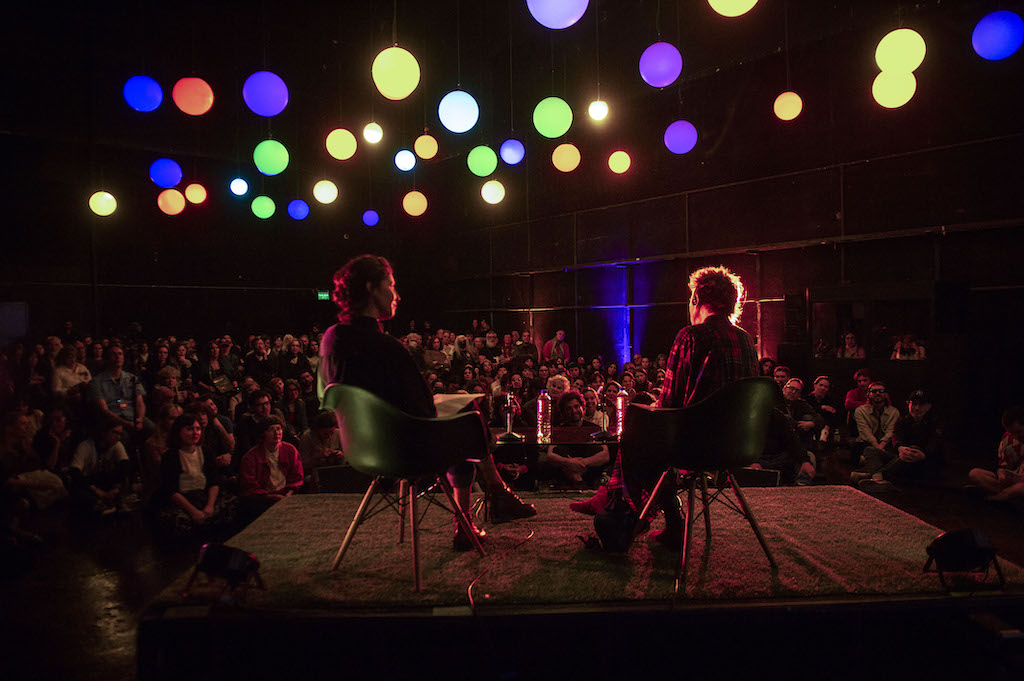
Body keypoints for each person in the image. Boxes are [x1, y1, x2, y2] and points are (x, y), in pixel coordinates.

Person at [318, 254, 535, 550]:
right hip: (405, 449)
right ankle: (480, 508)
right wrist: (446, 403)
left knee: (461, 412)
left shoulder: (331, 338)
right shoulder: (387, 348)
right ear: (371, 288)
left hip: (361, 448)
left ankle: (491, 498)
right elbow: (422, 411)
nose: (397, 295)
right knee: (468, 416)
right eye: (391, 286)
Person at [573, 266, 759, 551]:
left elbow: (671, 403)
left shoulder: (691, 336)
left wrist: (643, 416)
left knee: (637, 431)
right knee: (644, 435)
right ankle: (617, 501)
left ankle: (632, 509)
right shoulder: (747, 340)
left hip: (694, 446)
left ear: (696, 299)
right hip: (740, 445)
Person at [154, 413, 234, 535]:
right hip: (183, 501)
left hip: (204, 496)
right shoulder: (170, 457)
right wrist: (193, 512)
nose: (195, 433)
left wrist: (210, 506)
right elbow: (171, 490)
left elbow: (214, 481)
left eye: (198, 429)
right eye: (190, 429)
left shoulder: (206, 451)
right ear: (178, 431)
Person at [853, 389, 943, 489]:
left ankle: (874, 476)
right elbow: (896, 437)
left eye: (922, 405)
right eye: (914, 404)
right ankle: (878, 479)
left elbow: (935, 443)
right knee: (870, 450)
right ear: (908, 404)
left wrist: (925, 454)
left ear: (929, 406)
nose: (917, 408)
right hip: (900, 459)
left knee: (912, 451)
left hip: (924, 462)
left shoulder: (935, 422)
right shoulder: (903, 420)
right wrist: (900, 447)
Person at [539, 391, 609, 487]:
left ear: (582, 407)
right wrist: (569, 462)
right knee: (558, 451)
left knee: (596, 449)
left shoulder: (593, 428)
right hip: (567, 469)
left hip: (588, 468)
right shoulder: (560, 430)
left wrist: (582, 463)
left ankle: (578, 480)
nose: (574, 411)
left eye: (576, 407)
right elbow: (550, 455)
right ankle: (578, 480)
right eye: (569, 409)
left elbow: (605, 455)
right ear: (564, 412)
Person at [239, 415, 303, 518]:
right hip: (262, 500)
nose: (276, 433)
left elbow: (296, 476)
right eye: (271, 430)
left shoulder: (290, 450)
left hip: (287, 495)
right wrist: (270, 497)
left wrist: (289, 494)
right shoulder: (251, 457)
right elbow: (250, 485)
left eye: (278, 429)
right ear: (262, 434)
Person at [968, 405, 1024, 503]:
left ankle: (995, 498)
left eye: (1019, 432)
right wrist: (1001, 473)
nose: (1016, 436)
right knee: (975, 473)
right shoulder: (1008, 440)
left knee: (1020, 488)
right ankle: (1010, 497)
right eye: (1011, 433)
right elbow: (1003, 466)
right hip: (1012, 482)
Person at [852, 381, 899, 465]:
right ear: (868, 394)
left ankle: (869, 474)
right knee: (864, 449)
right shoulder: (860, 411)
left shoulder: (894, 412)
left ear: (885, 394)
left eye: (881, 391)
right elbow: (866, 433)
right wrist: (878, 450)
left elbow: (890, 432)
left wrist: (879, 449)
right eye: (874, 391)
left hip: (886, 444)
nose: (877, 393)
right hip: (866, 443)